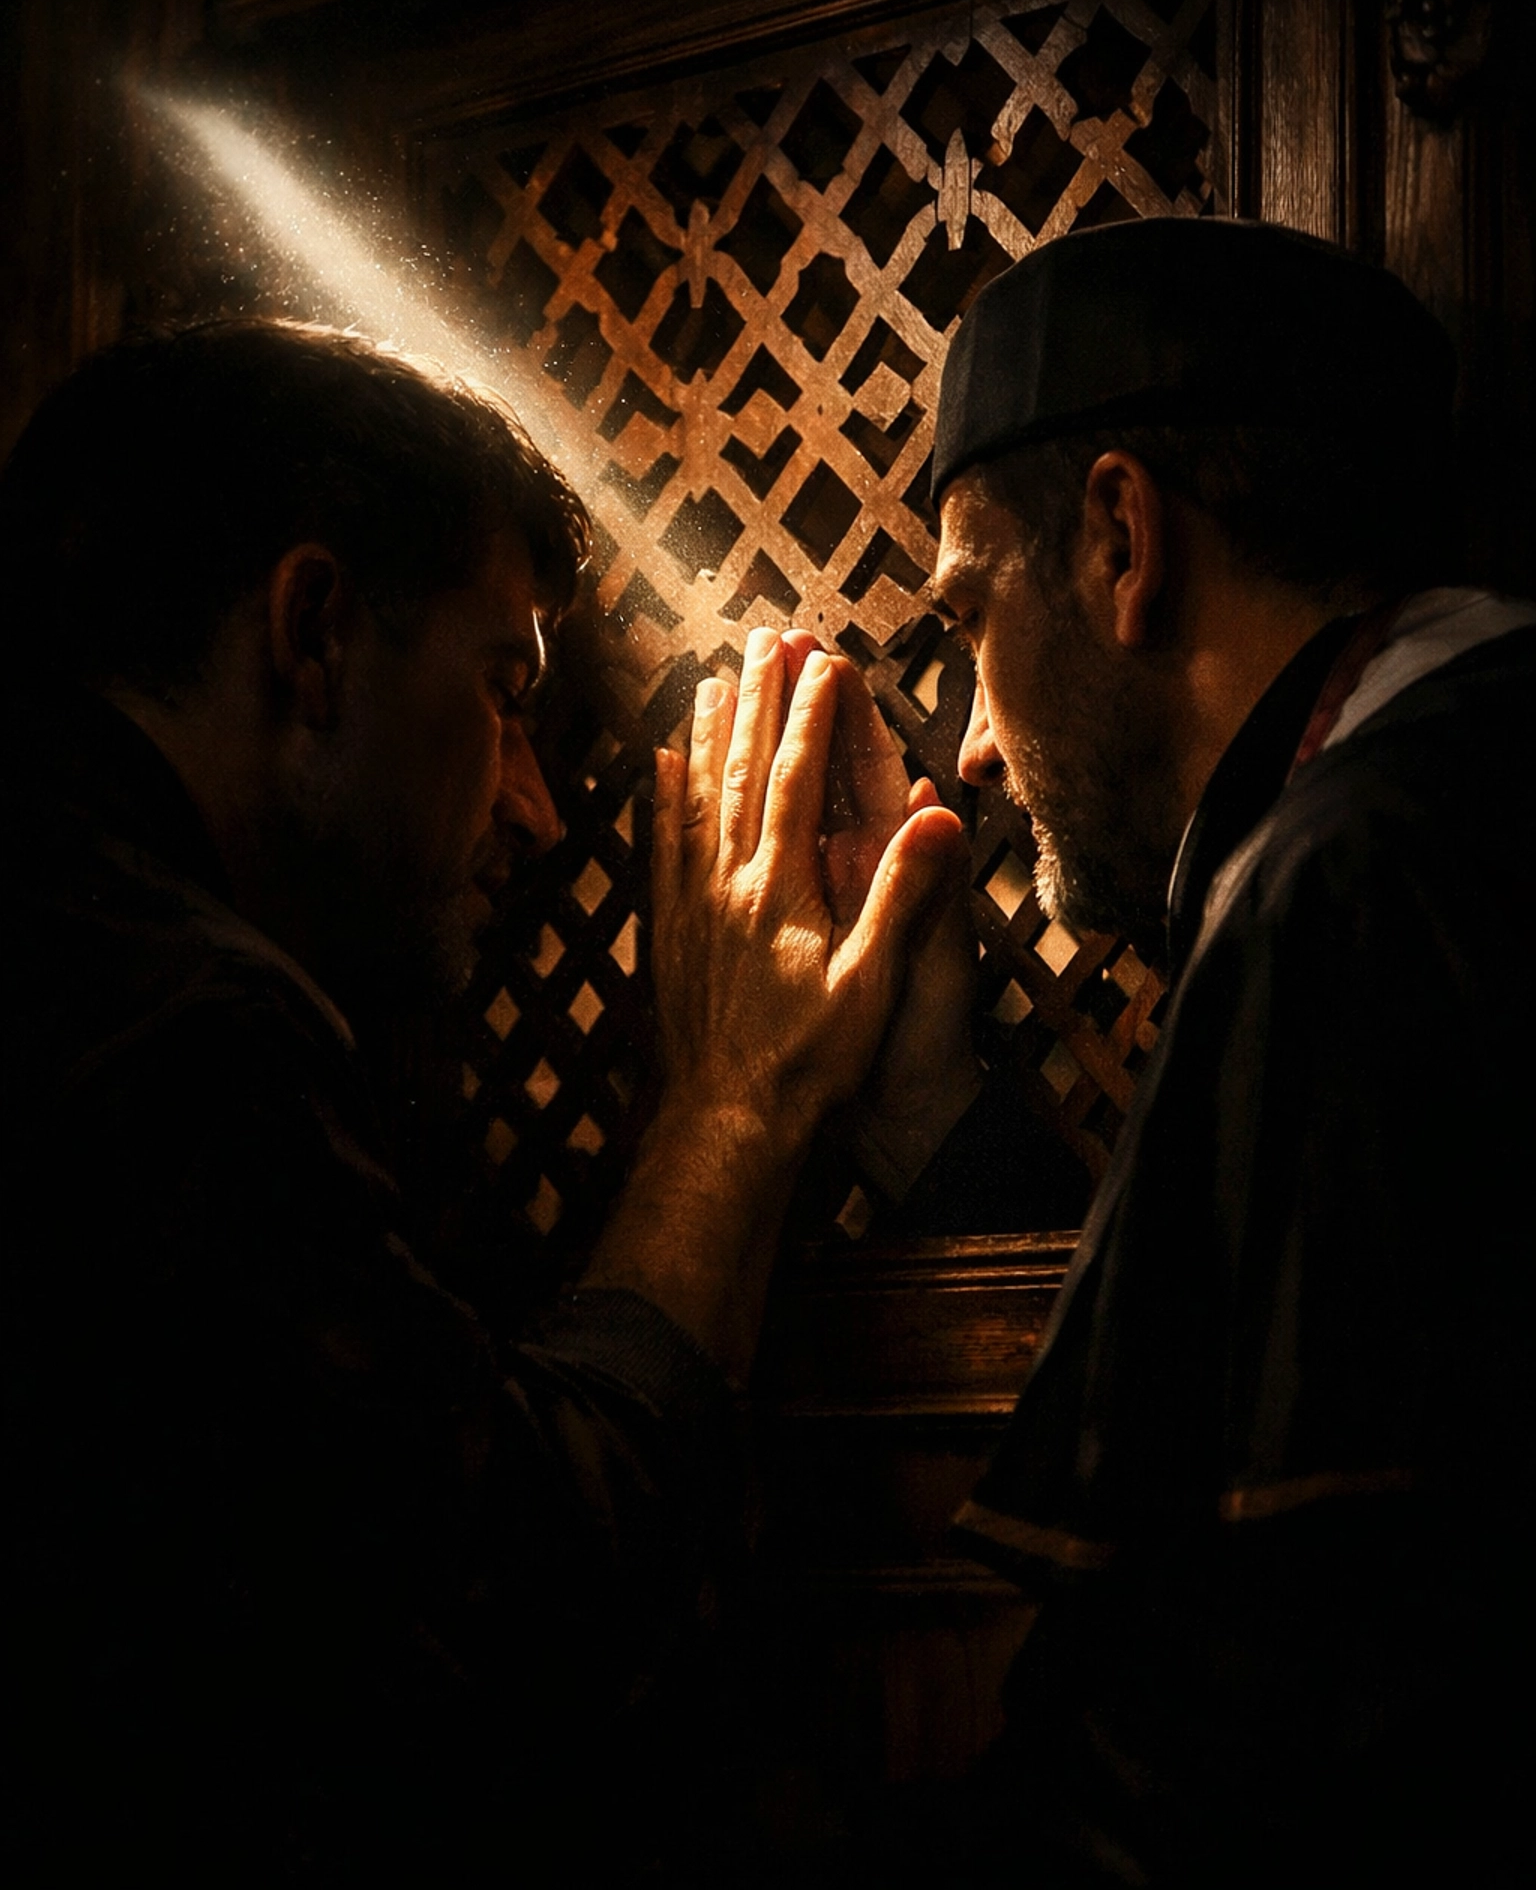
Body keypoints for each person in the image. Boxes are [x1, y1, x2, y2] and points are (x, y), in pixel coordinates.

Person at [0, 320, 958, 1884]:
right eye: (505, 693)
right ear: (313, 632)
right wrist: (730, 1106)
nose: (528, 803)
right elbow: (502, 1628)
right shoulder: (159, 1026)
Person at [657, 219, 1533, 1884]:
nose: (973, 747)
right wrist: (930, 1113)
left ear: (1123, 538)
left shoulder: (1343, 878)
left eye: (974, 612)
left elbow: (1242, 1720)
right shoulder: (1459, 782)